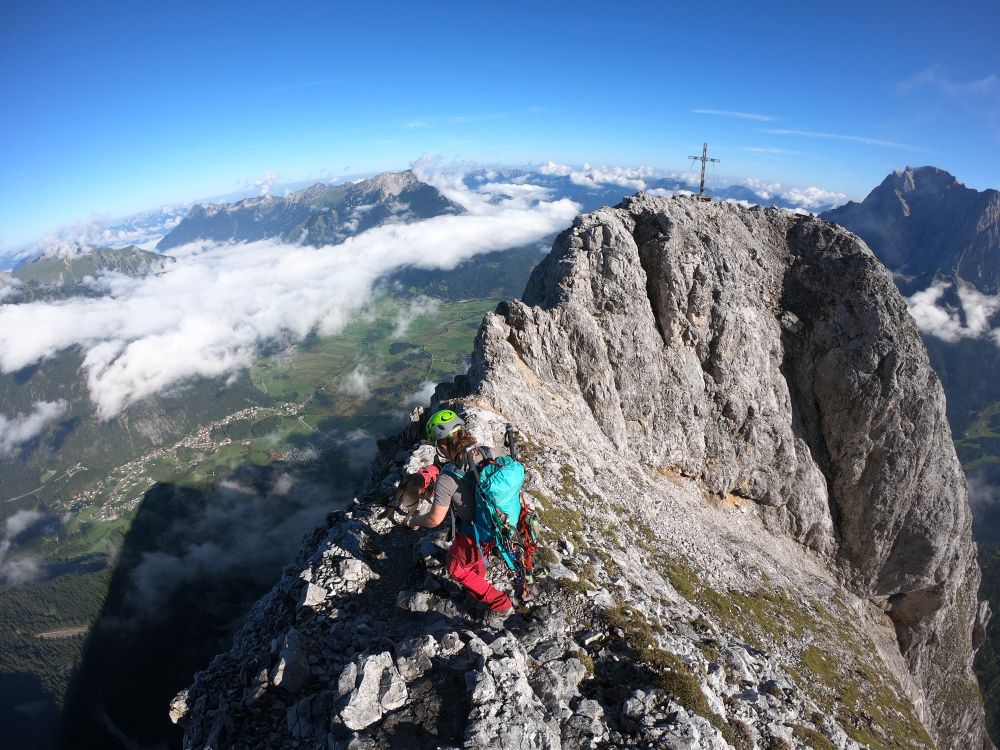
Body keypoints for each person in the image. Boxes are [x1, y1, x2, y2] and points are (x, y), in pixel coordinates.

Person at [408, 409, 514, 615]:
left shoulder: (447, 477)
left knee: (456, 568)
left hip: (476, 531)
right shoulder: (488, 452)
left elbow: (435, 519)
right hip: (503, 521)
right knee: (472, 557)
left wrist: (415, 520)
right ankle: (478, 572)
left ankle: (501, 605)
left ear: (442, 445)